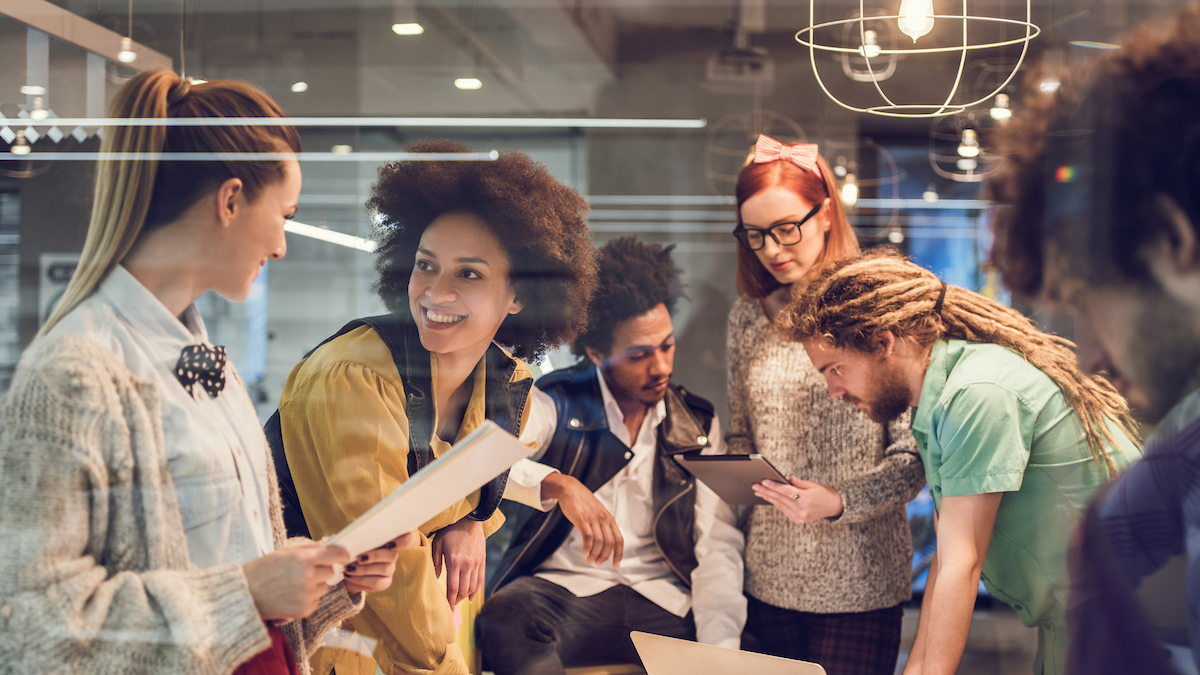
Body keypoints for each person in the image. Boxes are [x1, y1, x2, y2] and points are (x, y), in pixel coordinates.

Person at [0, 70, 410, 675]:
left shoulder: (205, 360)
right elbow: (33, 629)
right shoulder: (74, 371)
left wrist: (330, 573)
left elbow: (235, 573)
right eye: (285, 215)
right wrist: (247, 591)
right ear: (231, 200)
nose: (281, 246)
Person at [275, 140, 598, 675]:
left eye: (468, 274)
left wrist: (471, 523)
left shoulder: (506, 381)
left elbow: (465, 491)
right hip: (330, 643)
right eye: (426, 265)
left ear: (518, 295)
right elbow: (381, 559)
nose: (435, 292)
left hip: (428, 638)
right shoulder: (351, 377)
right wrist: (446, 662)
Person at [777, 250, 1142, 675]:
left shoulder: (976, 393)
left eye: (835, 368)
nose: (832, 390)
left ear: (883, 342)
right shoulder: (939, 398)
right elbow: (947, 558)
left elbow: (961, 563)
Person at [988, 5, 1200, 671]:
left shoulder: (1144, 506)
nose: (1096, 354)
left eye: (1087, 301)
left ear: (1172, 241)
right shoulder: (1167, 478)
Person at [477, 236, 745, 675]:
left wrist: (723, 654)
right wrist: (558, 484)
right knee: (507, 618)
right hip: (568, 593)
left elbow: (716, 544)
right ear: (598, 354)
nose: (660, 366)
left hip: (664, 601)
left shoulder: (696, 423)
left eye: (667, 345)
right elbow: (489, 459)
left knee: (742, 642)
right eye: (639, 354)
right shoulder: (556, 399)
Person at [726, 135, 925, 674]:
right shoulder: (748, 317)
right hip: (766, 576)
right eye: (756, 235)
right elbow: (742, 435)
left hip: (862, 582)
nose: (772, 248)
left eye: (786, 227)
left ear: (827, 214)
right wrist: (731, 471)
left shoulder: (879, 304)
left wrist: (838, 501)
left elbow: (913, 462)